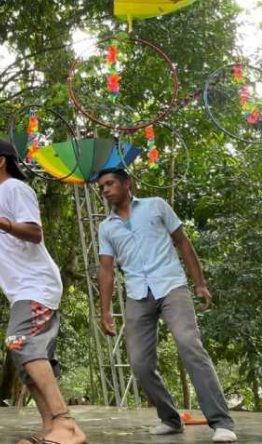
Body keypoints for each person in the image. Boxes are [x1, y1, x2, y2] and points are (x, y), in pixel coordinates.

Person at [0, 138, 85, 444]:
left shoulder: (15, 188)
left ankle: (65, 423)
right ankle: (49, 429)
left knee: (20, 343)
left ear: (0, 160)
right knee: (24, 356)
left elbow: (34, 232)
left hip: (36, 286)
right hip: (24, 290)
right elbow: (10, 248)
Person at [96, 168, 237, 443]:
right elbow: (105, 269)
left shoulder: (156, 206)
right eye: (102, 187)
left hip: (171, 285)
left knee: (189, 344)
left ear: (127, 184)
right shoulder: (106, 227)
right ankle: (170, 419)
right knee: (139, 362)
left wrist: (200, 283)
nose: (105, 190)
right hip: (137, 293)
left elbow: (183, 243)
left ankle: (221, 422)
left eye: (110, 184)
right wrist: (104, 311)